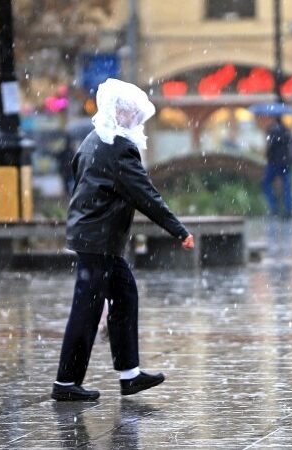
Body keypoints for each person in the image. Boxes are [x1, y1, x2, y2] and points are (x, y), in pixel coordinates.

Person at [52, 78, 195, 401]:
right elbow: (145, 195)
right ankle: (66, 383)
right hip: (98, 239)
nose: (135, 118)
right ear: (118, 111)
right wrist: (178, 230)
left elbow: (78, 174)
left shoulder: (93, 139)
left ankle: (129, 374)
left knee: (124, 294)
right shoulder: (118, 147)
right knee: (87, 309)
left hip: (93, 235)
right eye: (130, 112)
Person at [259, 115, 292, 218]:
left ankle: (274, 207)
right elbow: (290, 144)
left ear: (273, 119)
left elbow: (270, 147)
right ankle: (288, 210)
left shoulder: (271, 131)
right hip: (285, 163)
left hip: (274, 163)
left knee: (265, 183)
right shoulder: (286, 131)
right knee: (286, 186)